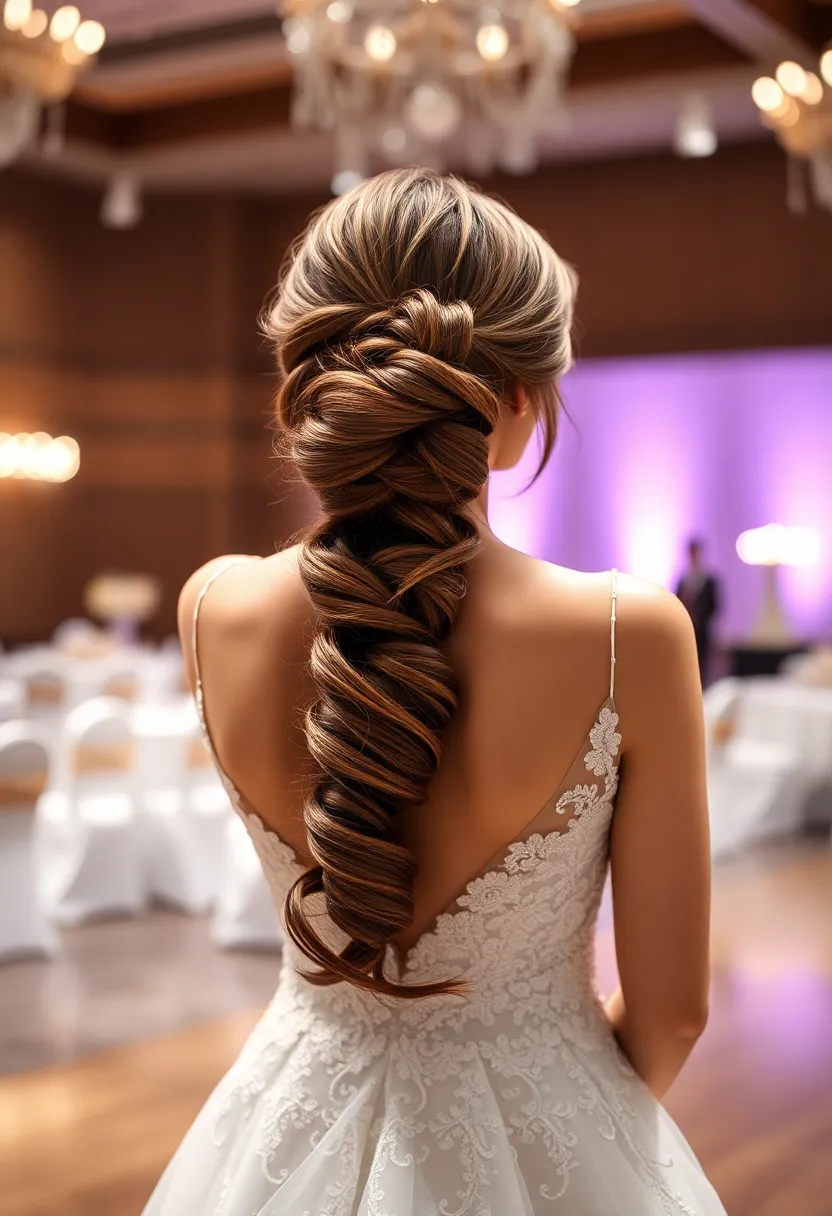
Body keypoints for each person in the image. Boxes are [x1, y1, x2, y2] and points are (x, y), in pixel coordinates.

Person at [142, 169, 725, 1215]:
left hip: (286, 1114)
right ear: (511, 403)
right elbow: (674, 1012)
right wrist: (570, 1113)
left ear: (312, 383)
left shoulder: (210, 605)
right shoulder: (623, 635)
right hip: (555, 1114)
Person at [676, 538, 721, 683]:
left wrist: (700, 618)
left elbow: (715, 606)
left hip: (703, 633)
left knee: (703, 667)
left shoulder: (709, 581)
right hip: (687, 631)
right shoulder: (683, 581)